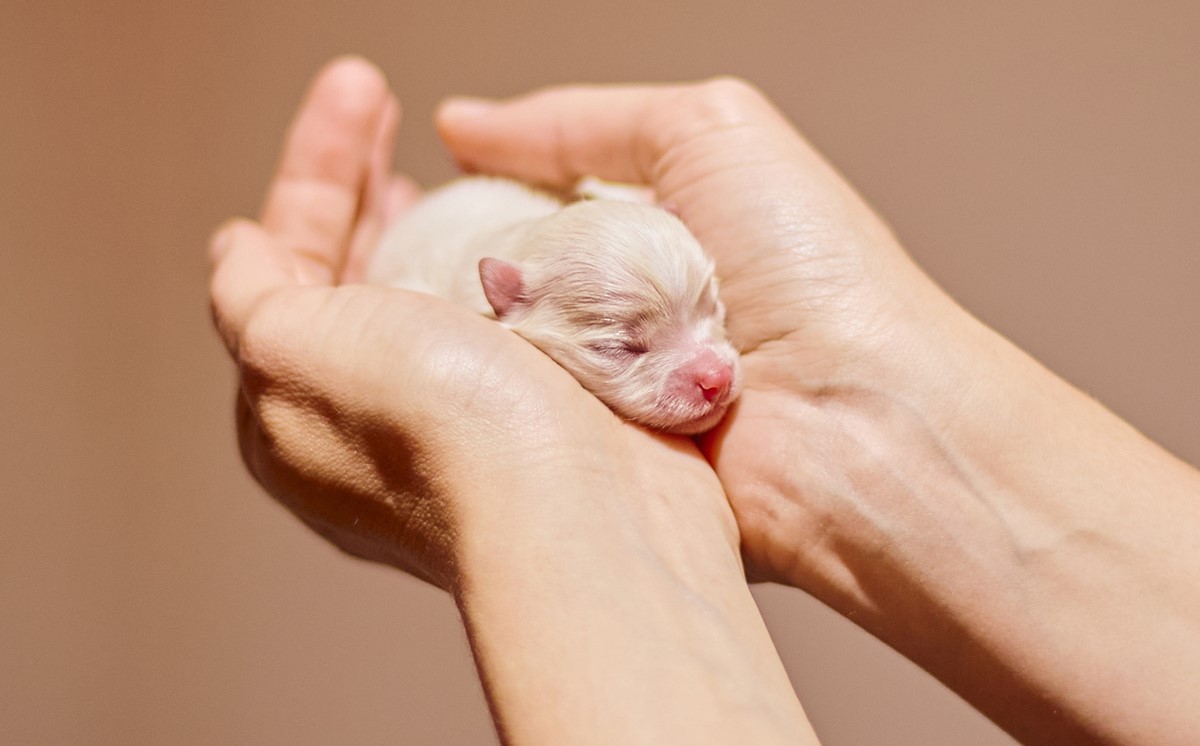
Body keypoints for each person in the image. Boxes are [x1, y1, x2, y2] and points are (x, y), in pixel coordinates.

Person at [208, 56, 1200, 745]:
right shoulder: (476, 278)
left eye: (711, 310)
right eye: (628, 345)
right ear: (503, 301)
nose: (715, 368)